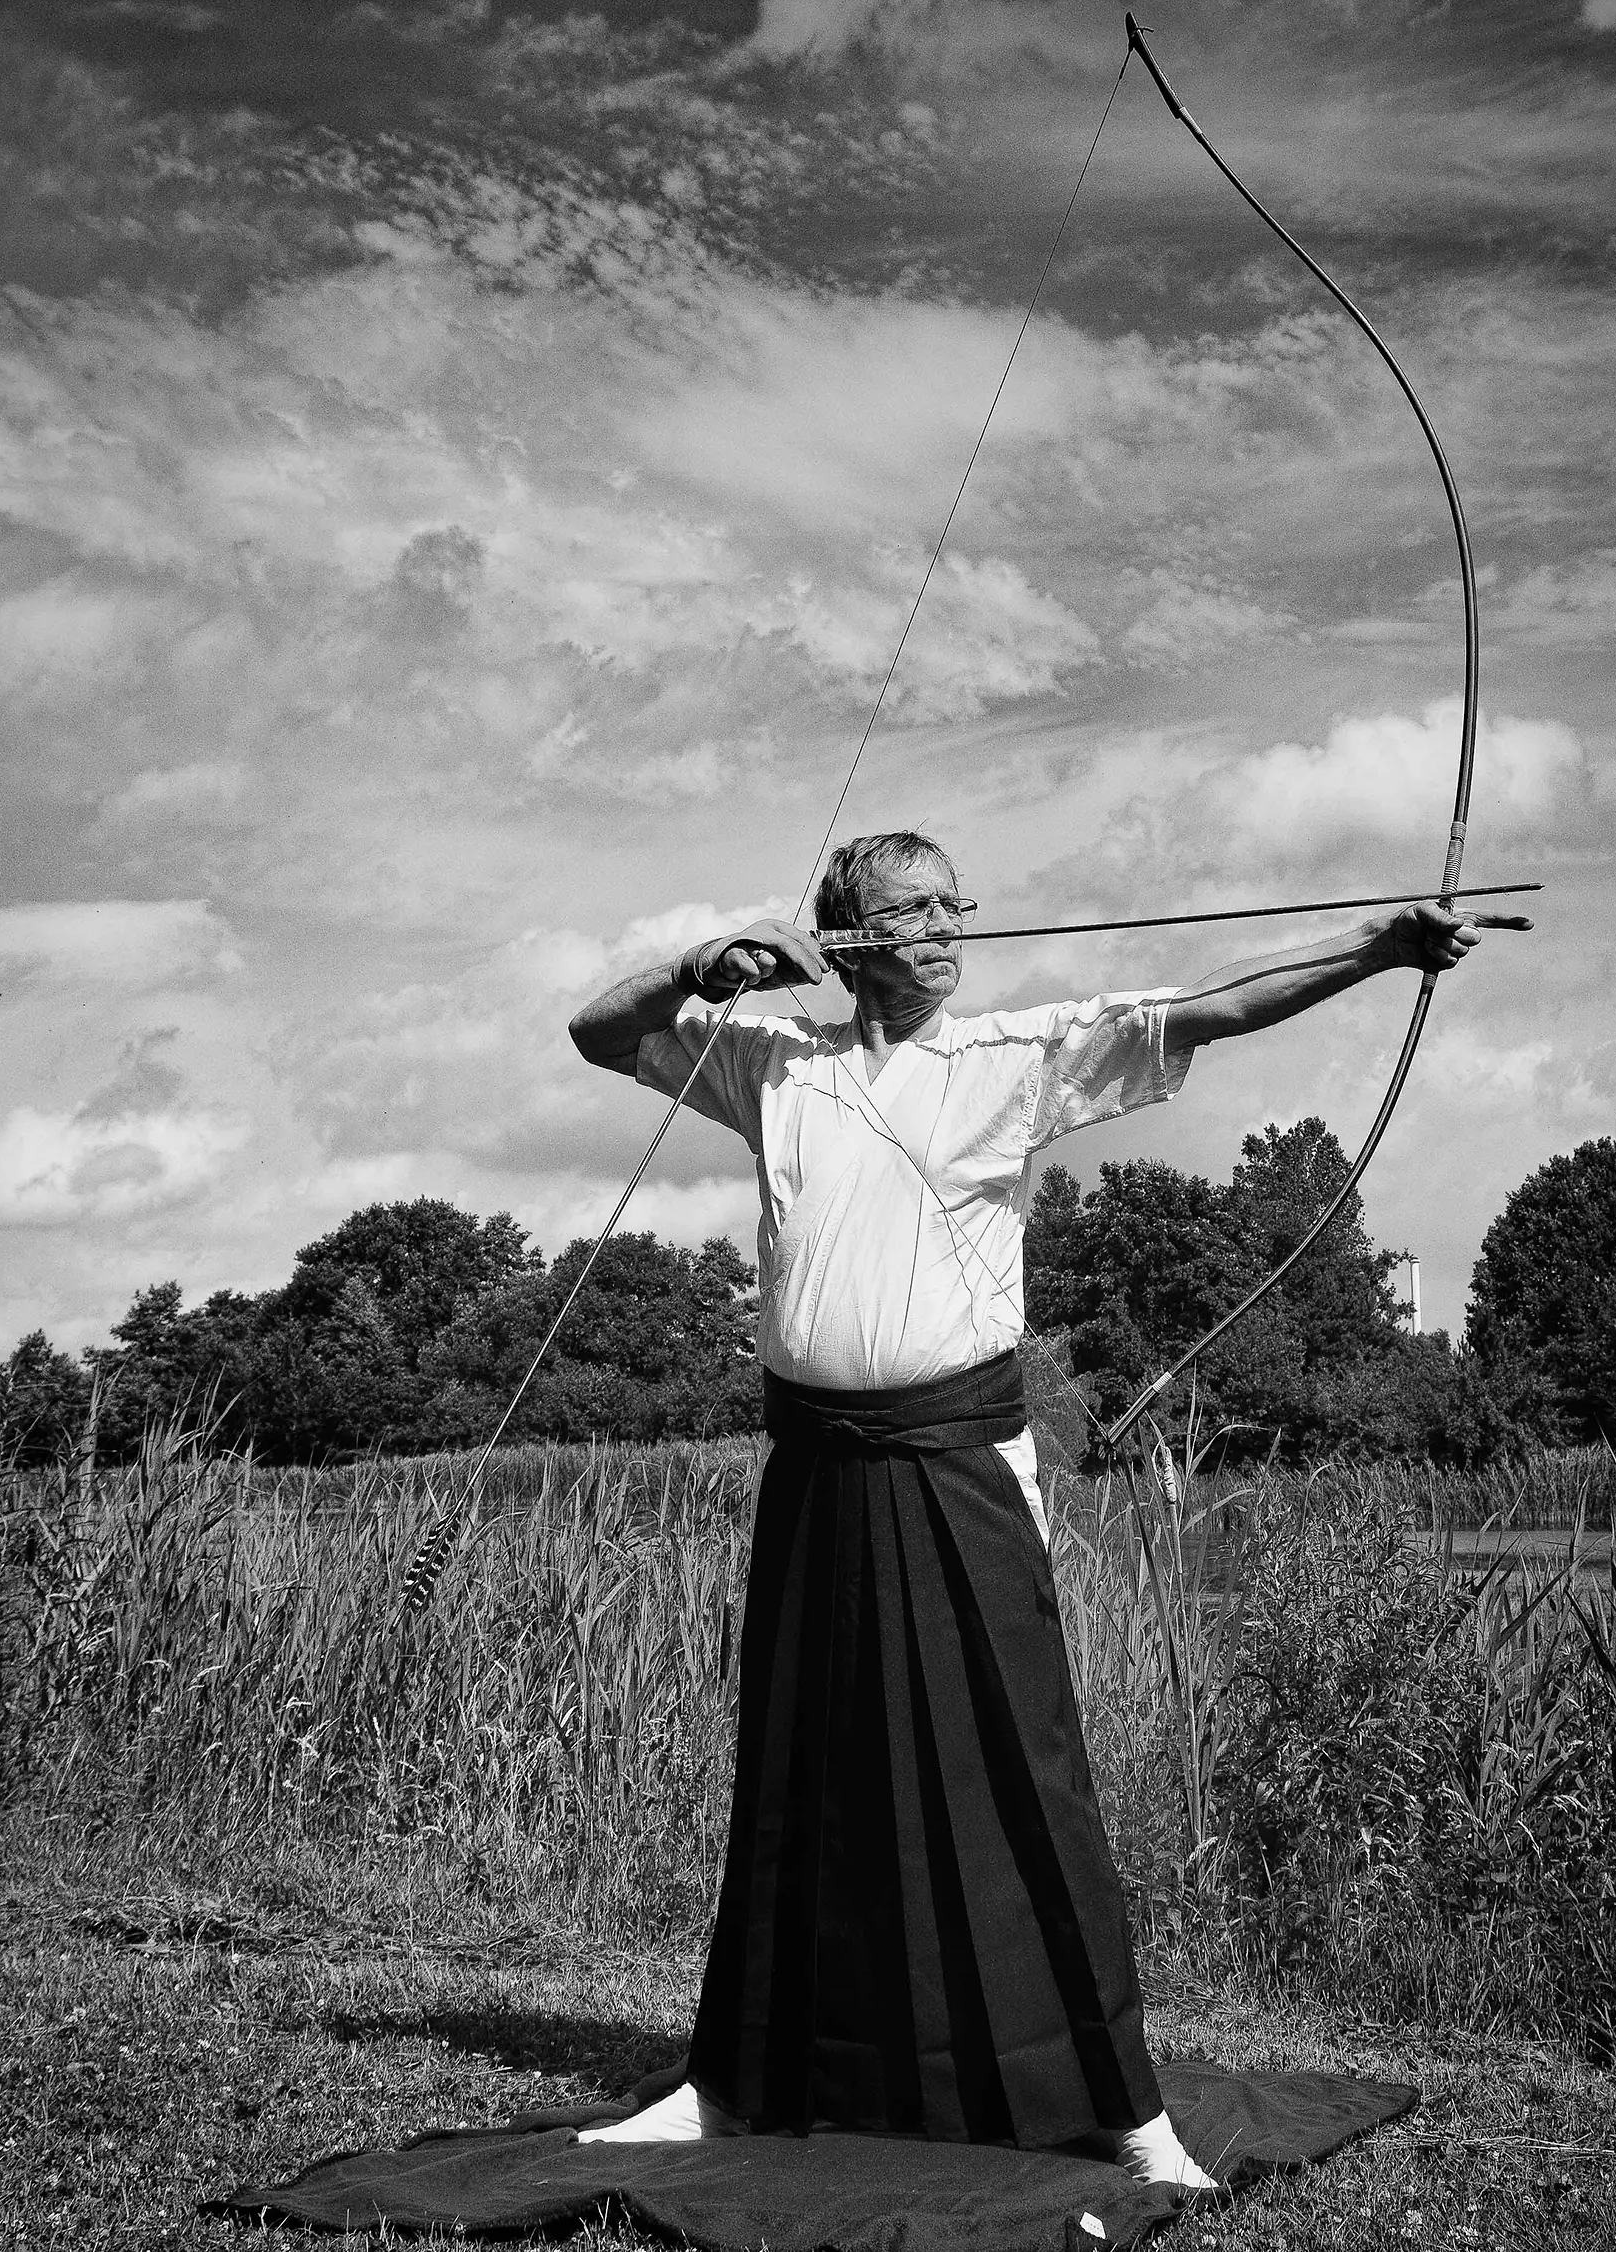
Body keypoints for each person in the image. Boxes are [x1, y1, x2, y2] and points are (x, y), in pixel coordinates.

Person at [566, 832, 1480, 2191]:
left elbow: (1211, 1007)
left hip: (960, 1461)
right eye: (907, 910)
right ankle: (734, 2085)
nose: (941, 929)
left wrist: (1377, 948)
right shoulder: (776, 1065)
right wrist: (702, 963)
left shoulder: (1016, 1054)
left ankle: (1124, 2107)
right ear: (843, 936)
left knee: (1020, 1768)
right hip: (816, 1462)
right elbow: (598, 1032)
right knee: (798, 1777)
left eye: (953, 906)